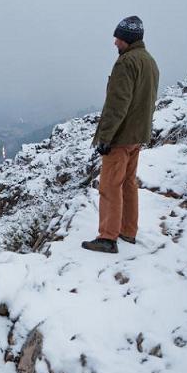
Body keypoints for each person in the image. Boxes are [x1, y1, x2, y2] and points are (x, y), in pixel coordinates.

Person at [82, 16, 159, 253]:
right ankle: (127, 230)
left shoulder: (126, 63)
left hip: (121, 136)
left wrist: (105, 137)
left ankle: (107, 237)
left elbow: (118, 105)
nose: (115, 42)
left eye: (118, 38)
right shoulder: (149, 61)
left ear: (128, 39)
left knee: (109, 186)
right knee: (128, 183)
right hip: (137, 135)